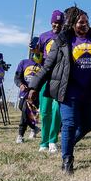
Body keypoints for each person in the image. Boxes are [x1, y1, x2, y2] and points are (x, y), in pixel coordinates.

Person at [29, 5, 91, 175]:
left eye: (86, 22)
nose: (84, 25)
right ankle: (67, 160)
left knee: (88, 124)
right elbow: (47, 65)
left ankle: (67, 143)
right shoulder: (63, 41)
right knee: (69, 125)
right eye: (80, 22)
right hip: (69, 91)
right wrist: (34, 86)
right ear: (72, 23)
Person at [37, 10, 64, 154]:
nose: (57, 25)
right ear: (51, 22)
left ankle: (53, 140)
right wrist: (35, 51)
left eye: (60, 23)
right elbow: (38, 59)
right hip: (45, 78)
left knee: (57, 110)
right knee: (45, 111)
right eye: (55, 22)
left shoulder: (67, 36)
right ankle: (44, 142)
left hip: (60, 78)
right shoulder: (43, 37)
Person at [13, 40, 43, 144]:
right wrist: (20, 85)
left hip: (37, 93)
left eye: (35, 48)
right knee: (24, 109)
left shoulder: (44, 63)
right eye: (31, 48)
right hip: (24, 93)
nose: (33, 50)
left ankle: (20, 135)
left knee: (27, 112)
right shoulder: (23, 62)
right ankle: (34, 128)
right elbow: (17, 78)